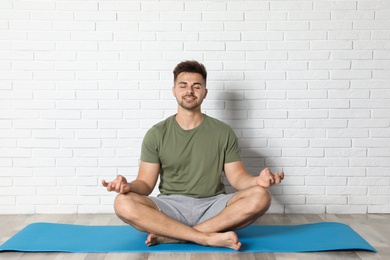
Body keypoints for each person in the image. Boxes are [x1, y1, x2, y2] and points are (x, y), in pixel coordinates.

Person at [102, 60, 284, 250]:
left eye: (196, 86)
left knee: (261, 196)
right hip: (170, 207)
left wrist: (258, 181)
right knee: (122, 202)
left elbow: (238, 178)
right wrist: (127, 186)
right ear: (174, 90)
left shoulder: (223, 131)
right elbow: (146, 184)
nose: (189, 91)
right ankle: (206, 237)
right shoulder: (156, 133)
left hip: (213, 206)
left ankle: (174, 237)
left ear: (205, 92)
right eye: (183, 85)